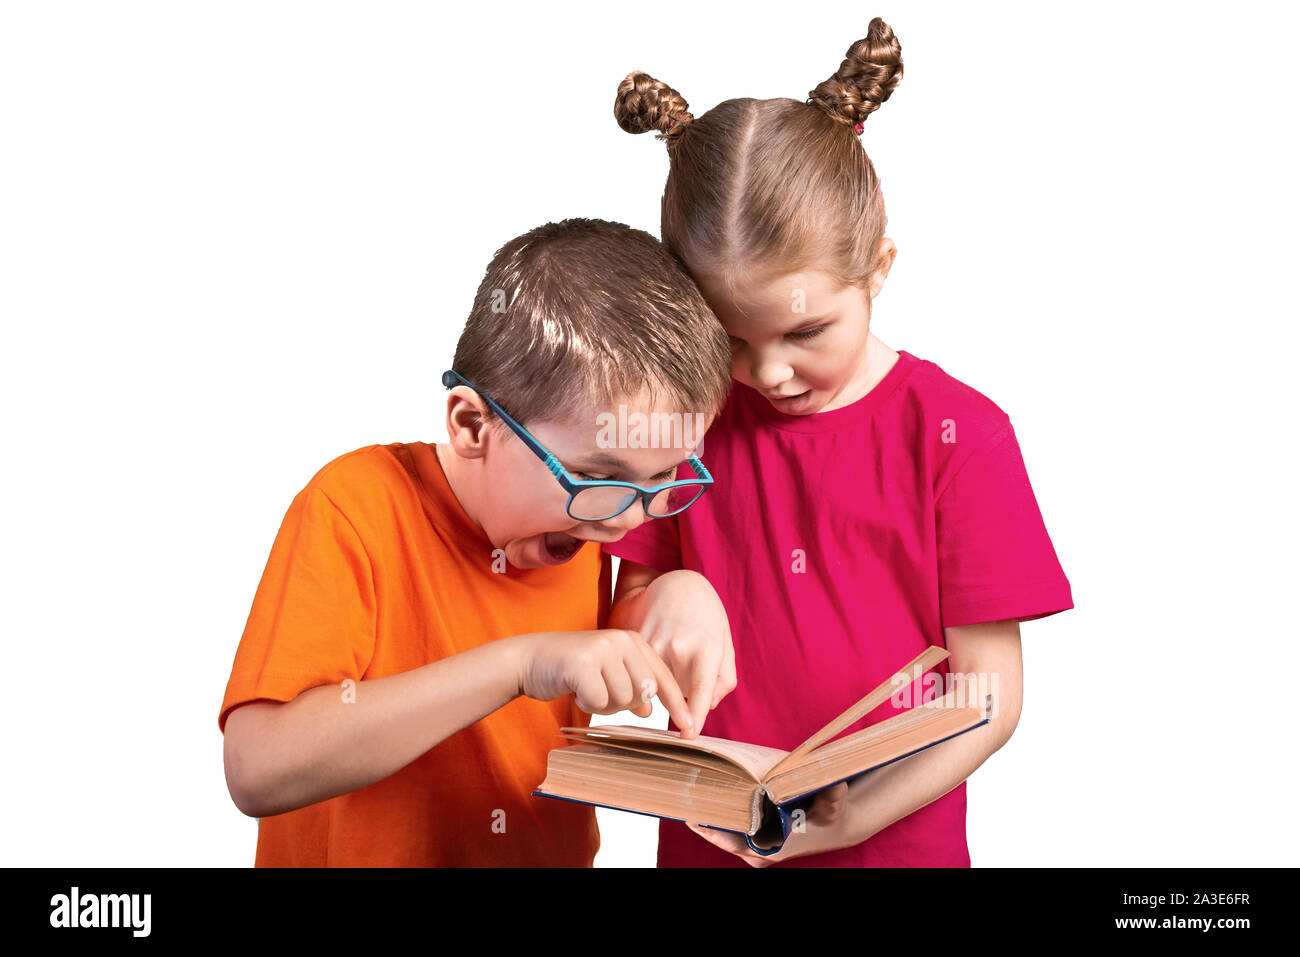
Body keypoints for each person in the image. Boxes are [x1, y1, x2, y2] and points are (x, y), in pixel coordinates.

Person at [608, 18, 1074, 867]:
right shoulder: (680, 422)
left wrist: (850, 822)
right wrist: (666, 595)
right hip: (713, 841)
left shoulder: (960, 435)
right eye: (731, 340)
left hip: (891, 847)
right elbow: (624, 609)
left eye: (807, 331)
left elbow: (991, 695)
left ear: (879, 270)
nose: (770, 374)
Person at [218, 218, 736, 866]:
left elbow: (613, 636)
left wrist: (682, 590)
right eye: (599, 476)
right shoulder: (356, 506)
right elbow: (257, 765)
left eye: (663, 477)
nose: (628, 521)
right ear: (471, 424)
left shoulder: (590, 522)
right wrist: (518, 664)